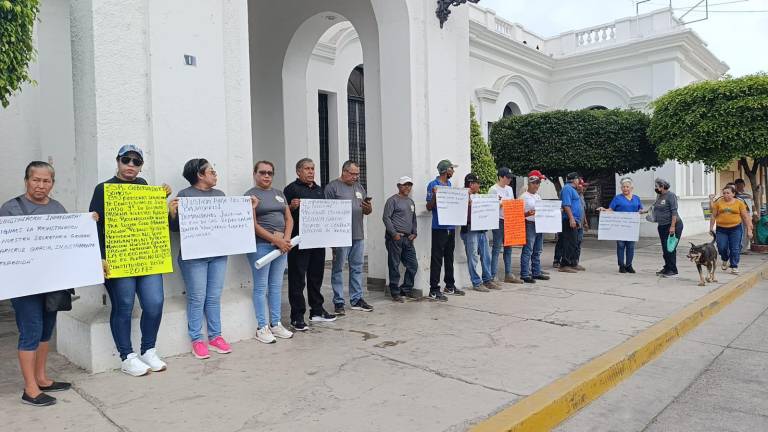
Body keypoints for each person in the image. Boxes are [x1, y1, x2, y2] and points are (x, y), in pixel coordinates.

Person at [2, 162, 83, 406]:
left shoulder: (58, 208)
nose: (40, 185)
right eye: (36, 180)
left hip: (52, 282)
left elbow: (70, 240)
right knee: (31, 332)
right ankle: (30, 389)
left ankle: (42, 378)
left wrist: (88, 223)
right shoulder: (10, 209)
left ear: (52, 183)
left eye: (46, 181)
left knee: (46, 331)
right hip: (24, 285)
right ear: (26, 180)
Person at [89, 145, 171, 377]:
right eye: (126, 160)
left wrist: (162, 198)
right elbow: (94, 226)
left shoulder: (144, 186)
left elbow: (151, 220)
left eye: (136, 162)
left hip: (146, 256)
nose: (131, 165)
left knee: (155, 303)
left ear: (141, 166)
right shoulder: (103, 189)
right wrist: (100, 257)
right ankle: (127, 357)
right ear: (118, 161)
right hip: (117, 258)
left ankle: (148, 350)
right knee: (124, 305)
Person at [169, 159, 235, 359]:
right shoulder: (185, 195)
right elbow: (176, 230)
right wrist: (172, 214)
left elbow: (227, 222)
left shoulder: (220, 195)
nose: (215, 175)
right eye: (211, 172)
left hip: (218, 255)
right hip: (193, 257)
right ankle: (197, 339)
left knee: (213, 297)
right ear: (200, 175)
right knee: (197, 298)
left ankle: (215, 336)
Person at [283, 158, 336, 331]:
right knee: (297, 279)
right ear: (298, 171)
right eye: (307, 169)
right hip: (299, 241)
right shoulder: (291, 189)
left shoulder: (320, 190)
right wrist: (291, 206)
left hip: (317, 240)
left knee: (316, 277)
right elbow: (283, 214)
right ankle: (297, 316)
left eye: (312, 168)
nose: (311, 172)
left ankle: (317, 311)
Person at [245, 161, 295, 344]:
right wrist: (276, 240)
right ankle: (262, 327)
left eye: (270, 173)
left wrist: (286, 240)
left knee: (275, 286)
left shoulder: (279, 194)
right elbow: (252, 224)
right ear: (255, 174)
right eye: (262, 172)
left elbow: (288, 219)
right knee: (261, 287)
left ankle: (276, 323)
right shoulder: (250, 196)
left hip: (281, 247)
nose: (266, 176)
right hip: (262, 246)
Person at [325, 160, 374, 314]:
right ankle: (339, 301)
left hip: (358, 234)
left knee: (357, 268)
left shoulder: (359, 187)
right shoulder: (332, 187)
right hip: (340, 236)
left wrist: (368, 208)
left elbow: (366, 211)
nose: (355, 177)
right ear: (344, 171)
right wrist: (331, 239)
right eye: (352, 174)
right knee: (338, 268)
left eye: (357, 174)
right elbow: (326, 212)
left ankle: (356, 299)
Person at [426, 160, 461, 300]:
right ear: (446, 171)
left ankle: (449, 285)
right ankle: (434, 289)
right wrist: (435, 195)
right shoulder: (433, 185)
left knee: (449, 257)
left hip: (450, 227)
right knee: (436, 259)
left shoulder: (449, 185)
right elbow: (429, 207)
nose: (453, 171)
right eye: (452, 169)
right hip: (439, 227)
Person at [382, 176, 419, 302]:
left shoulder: (410, 202)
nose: (408, 187)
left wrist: (414, 233)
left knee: (413, 265)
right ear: (399, 186)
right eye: (405, 184)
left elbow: (414, 219)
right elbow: (386, 218)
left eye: (410, 185)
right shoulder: (392, 200)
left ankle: (406, 290)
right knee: (394, 265)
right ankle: (395, 292)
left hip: (408, 239)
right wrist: (394, 234)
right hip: (395, 239)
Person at [461, 173, 499, 292]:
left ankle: (487, 279)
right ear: (471, 184)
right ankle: (476, 282)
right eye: (477, 183)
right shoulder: (462, 196)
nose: (479, 186)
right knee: (473, 257)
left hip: (482, 229)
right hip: (470, 229)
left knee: (486, 255)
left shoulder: (478, 196)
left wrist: (494, 202)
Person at [600, 177, 643, 273]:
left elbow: (640, 208)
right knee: (621, 246)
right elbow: (611, 209)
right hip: (620, 227)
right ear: (621, 188)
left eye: (627, 187)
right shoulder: (617, 198)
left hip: (632, 227)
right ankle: (621, 265)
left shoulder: (636, 198)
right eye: (623, 187)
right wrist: (604, 210)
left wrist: (641, 211)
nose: (625, 188)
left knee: (631, 246)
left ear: (631, 188)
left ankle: (629, 265)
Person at [488, 167, 523, 284]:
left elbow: (512, 203)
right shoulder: (493, 189)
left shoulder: (509, 189)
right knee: (497, 248)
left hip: (509, 220)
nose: (509, 180)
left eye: (510, 178)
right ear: (501, 177)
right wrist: (503, 204)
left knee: (509, 248)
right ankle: (493, 275)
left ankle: (508, 274)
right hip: (498, 220)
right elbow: (491, 206)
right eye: (507, 177)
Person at [710, 184, 753, 275]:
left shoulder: (739, 203)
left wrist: (749, 230)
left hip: (735, 229)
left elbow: (745, 217)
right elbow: (713, 215)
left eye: (728, 193)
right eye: (724, 193)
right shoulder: (718, 203)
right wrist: (711, 228)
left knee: (735, 248)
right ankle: (725, 259)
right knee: (721, 247)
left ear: (733, 194)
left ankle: (734, 266)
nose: (726, 195)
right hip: (721, 229)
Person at [520, 171, 550, 283]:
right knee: (528, 250)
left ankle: (536, 272)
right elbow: (518, 214)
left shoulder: (538, 196)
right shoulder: (524, 197)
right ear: (530, 183)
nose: (537, 185)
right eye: (535, 183)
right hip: (529, 224)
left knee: (537, 250)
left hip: (539, 224)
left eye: (538, 183)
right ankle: (525, 274)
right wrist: (528, 214)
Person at [652, 178, 683, 278]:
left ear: (662, 186)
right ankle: (667, 267)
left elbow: (674, 212)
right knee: (665, 249)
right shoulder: (659, 196)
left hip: (673, 225)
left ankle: (673, 270)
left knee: (670, 248)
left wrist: (672, 226)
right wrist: (643, 212)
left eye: (657, 186)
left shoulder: (671, 196)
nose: (655, 188)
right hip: (662, 226)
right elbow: (654, 208)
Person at [558, 172, 583, 273]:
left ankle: (573, 263)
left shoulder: (572, 189)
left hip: (575, 219)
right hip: (568, 220)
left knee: (574, 242)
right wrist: (571, 219)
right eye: (578, 179)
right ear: (574, 180)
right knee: (569, 242)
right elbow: (566, 205)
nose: (579, 181)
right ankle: (564, 264)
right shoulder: (567, 189)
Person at [734, 179, 753, 253]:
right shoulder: (735, 195)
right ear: (736, 186)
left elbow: (752, 205)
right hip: (738, 216)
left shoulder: (748, 195)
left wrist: (754, 213)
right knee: (739, 232)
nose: (740, 186)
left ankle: (744, 248)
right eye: (738, 185)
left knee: (747, 232)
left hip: (748, 215)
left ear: (744, 185)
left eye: (741, 185)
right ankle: (738, 248)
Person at [575, 179, 590, 270]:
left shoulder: (581, 196)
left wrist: (585, 222)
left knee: (579, 243)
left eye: (584, 186)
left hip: (580, 224)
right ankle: (571, 262)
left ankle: (576, 262)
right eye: (582, 186)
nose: (584, 188)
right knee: (574, 244)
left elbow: (582, 210)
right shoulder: (574, 196)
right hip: (575, 223)